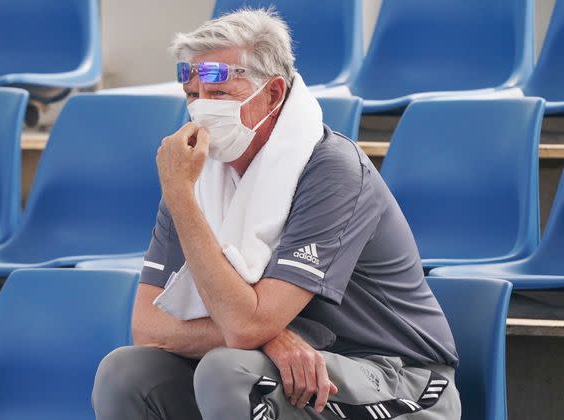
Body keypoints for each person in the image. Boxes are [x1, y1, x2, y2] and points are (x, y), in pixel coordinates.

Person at [92, 8, 461, 420]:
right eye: (193, 96)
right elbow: (148, 327)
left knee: (231, 370)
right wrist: (271, 339)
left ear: (272, 94)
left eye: (219, 94)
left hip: (397, 378)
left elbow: (246, 328)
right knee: (125, 372)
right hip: (281, 366)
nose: (201, 112)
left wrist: (256, 336)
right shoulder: (192, 174)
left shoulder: (332, 169)